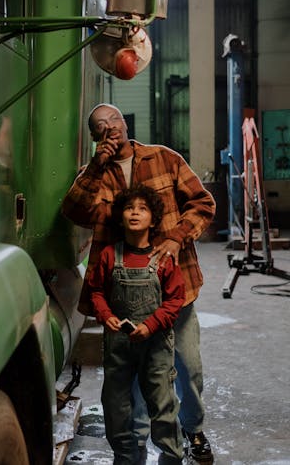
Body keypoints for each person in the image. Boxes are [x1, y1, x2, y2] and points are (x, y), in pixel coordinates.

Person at [61, 103, 216, 464]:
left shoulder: (165, 158)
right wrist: (98, 165)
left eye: (113, 120)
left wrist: (178, 236)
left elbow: (202, 203)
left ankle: (192, 430)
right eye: (100, 125)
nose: (109, 128)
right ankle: (137, 446)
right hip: (126, 296)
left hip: (176, 287)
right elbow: (74, 211)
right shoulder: (93, 175)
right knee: (134, 378)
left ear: (125, 123)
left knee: (187, 366)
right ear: (95, 136)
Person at [87, 185, 185, 464]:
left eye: (143, 209)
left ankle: (171, 456)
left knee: (163, 405)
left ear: (153, 220)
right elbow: (96, 291)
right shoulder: (109, 255)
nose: (135, 213)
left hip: (155, 345)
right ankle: (125, 455)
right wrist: (107, 316)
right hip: (118, 344)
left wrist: (151, 325)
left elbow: (175, 300)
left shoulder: (164, 258)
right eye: (130, 208)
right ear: (121, 217)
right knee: (115, 404)